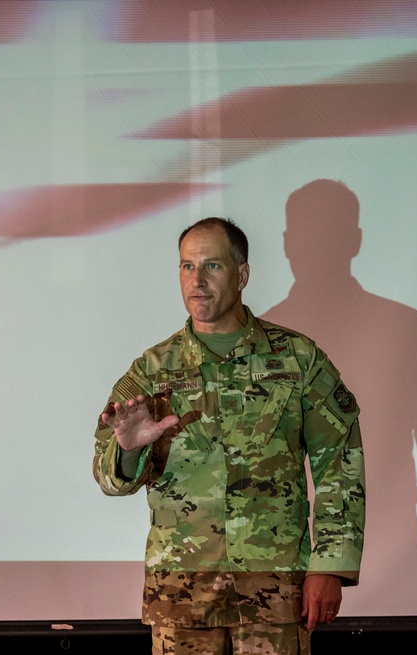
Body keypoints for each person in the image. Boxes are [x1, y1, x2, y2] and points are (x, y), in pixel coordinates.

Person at [93, 217, 365, 655]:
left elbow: (340, 462)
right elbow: (107, 478)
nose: (196, 281)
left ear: (242, 274)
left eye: (211, 266)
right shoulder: (151, 371)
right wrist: (127, 451)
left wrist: (329, 566)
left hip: (275, 592)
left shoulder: (297, 359)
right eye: (186, 267)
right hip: (181, 595)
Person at [262, 180, 417, 613]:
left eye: (330, 235)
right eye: (308, 236)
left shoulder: (408, 332)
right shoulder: (257, 341)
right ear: (287, 244)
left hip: (401, 573)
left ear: (354, 241)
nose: (317, 249)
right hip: (273, 577)